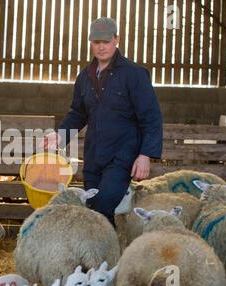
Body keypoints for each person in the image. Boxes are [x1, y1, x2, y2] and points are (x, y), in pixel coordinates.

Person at [42, 17, 163, 226]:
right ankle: (106, 255)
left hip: (121, 155)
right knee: (94, 208)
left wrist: (145, 155)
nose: (101, 47)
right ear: (90, 42)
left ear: (117, 40)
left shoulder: (134, 75)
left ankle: (104, 254)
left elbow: (151, 117)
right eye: (96, 42)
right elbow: (78, 113)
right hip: (93, 156)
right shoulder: (84, 77)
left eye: (106, 41)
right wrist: (60, 134)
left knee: (103, 205)